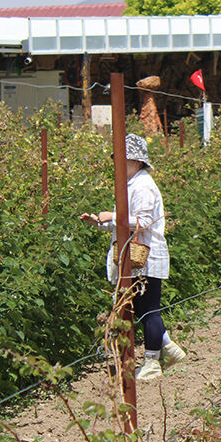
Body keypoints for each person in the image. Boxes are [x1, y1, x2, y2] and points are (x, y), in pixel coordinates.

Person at [80, 133, 185, 381]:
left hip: (146, 256)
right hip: (136, 257)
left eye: (122, 159)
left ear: (136, 162)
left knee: (149, 310)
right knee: (141, 306)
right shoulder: (130, 185)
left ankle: (151, 362)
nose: (118, 164)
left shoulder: (143, 186)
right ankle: (168, 348)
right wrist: (100, 222)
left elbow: (144, 222)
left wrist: (112, 217)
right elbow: (125, 224)